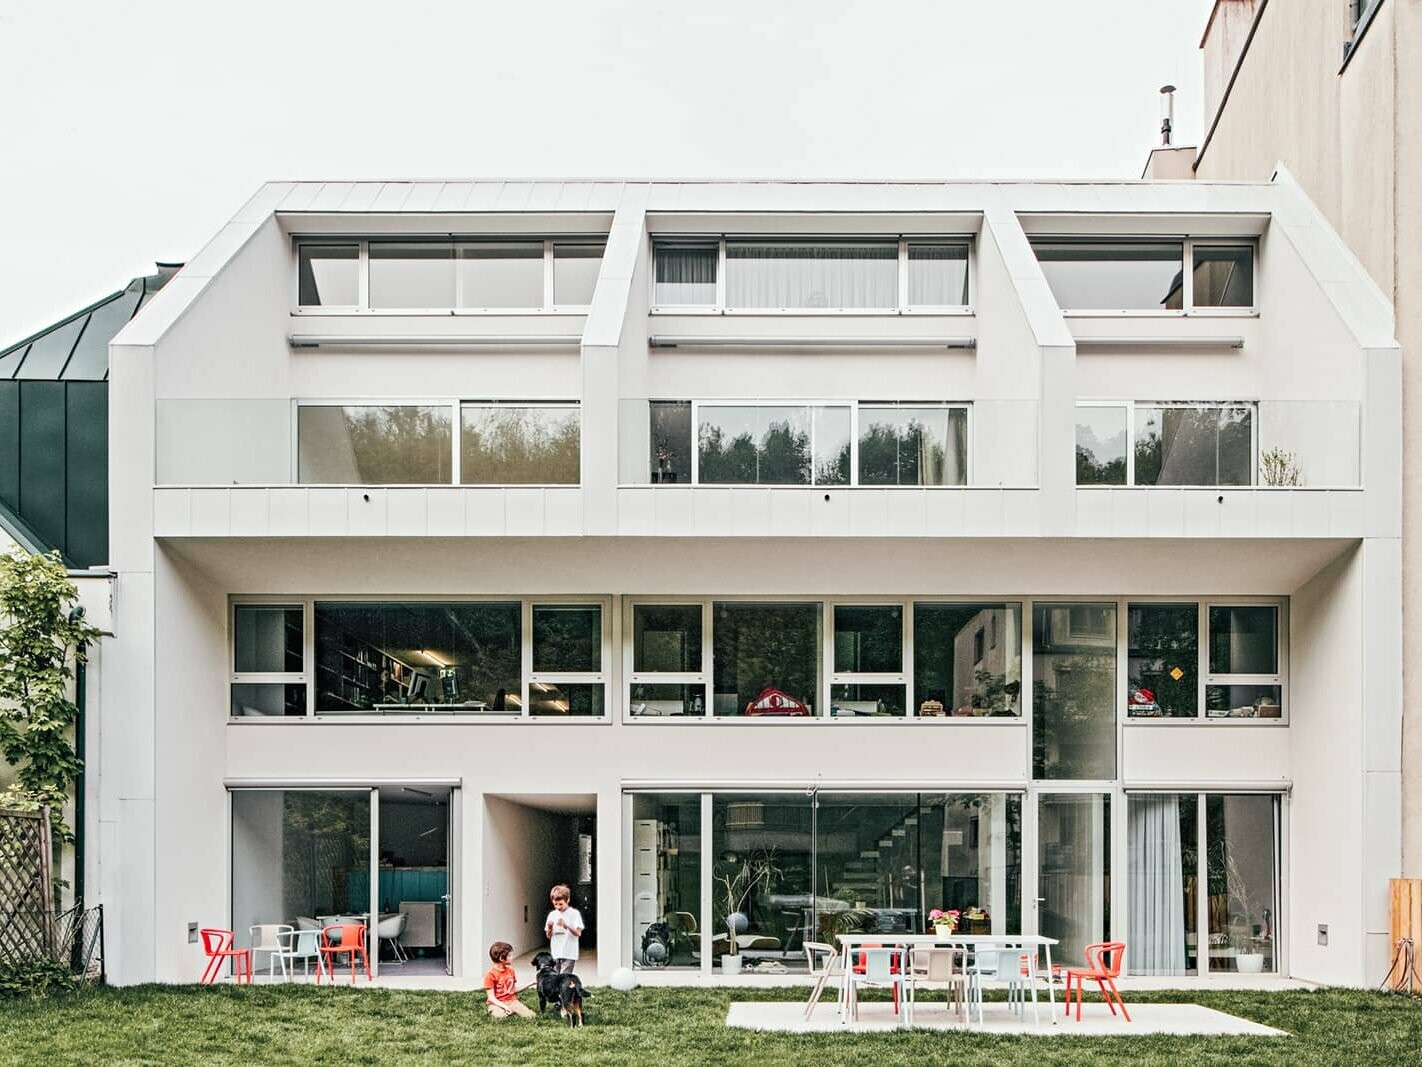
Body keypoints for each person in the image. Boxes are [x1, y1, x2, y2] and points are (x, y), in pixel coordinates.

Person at [483, 941, 533, 1018]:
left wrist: (531, 983)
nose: (512, 957)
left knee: (530, 1016)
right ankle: (503, 1011)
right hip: (496, 1003)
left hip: (512, 1001)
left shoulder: (510, 970)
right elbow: (491, 998)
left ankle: (512, 1010)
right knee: (500, 1016)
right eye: (509, 955)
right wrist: (505, 1007)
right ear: (501, 958)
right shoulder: (490, 975)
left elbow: (513, 990)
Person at [544, 884, 584, 974]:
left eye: (561, 904)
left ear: (568, 900)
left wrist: (566, 925)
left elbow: (578, 933)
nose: (558, 907)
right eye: (555, 904)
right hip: (556, 952)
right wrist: (550, 928)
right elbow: (549, 936)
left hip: (569, 952)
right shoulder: (552, 915)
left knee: (565, 978)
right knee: (555, 977)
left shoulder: (574, 914)